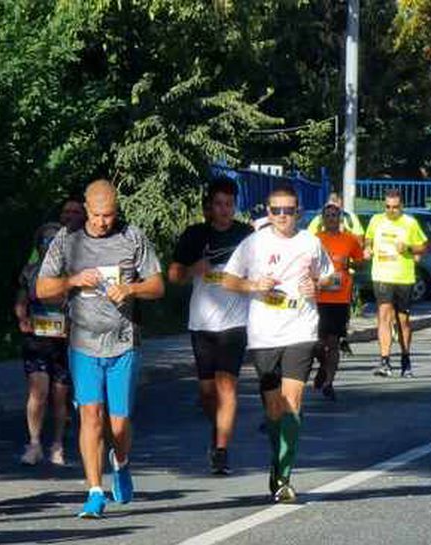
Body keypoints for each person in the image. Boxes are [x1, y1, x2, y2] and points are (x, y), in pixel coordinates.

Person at [37, 179, 164, 518]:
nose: (102, 222)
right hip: (83, 342)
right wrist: (73, 281)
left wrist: (132, 289)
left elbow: (158, 285)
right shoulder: (68, 239)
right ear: (86, 208)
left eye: (109, 215)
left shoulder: (132, 237)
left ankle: (120, 463)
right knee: (89, 417)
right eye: (97, 215)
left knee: (119, 424)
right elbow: (42, 287)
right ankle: (94, 491)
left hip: (123, 342)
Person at [221, 184, 334, 503]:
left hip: (301, 329)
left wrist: (317, 285)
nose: (282, 217)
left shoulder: (310, 242)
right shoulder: (253, 244)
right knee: (273, 408)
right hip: (263, 333)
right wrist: (253, 284)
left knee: (292, 402)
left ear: (298, 212)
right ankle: (277, 462)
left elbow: (332, 277)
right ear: (268, 213)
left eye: (288, 210)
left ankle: (284, 476)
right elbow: (228, 281)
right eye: (276, 211)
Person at [169, 178, 252, 475]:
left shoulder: (245, 235)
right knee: (207, 391)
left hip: (235, 322)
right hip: (202, 322)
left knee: (227, 385)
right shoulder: (195, 235)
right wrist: (194, 269)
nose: (224, 210)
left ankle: (221, 450)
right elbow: (174, 275)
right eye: (219, 204)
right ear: (209, 206)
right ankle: (217, 428)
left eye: (229, 204)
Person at [14, 222, 71, 466]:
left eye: (55, 243)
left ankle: (57, 444)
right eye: (46, 243)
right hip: (36, 338)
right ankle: (34, 443)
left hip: (64, 341)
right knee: (38, 392)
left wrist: (74, 324)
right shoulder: (30, 271)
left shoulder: (72, 272)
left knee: (59, 396)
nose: (50, 248)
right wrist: (22, 318)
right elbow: (20, 301)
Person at [364, 189, 428, 378]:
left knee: (403, 321)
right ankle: (384, 361)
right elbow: (368, 238)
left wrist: (408, 247)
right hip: (382, 275)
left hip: (403, 277)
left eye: (395, 207)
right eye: (388, 207)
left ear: (402, 206)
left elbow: (423, 246)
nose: (391, 211)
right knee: (383, 315)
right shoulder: (376, 220)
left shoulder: (410, 223)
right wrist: (368, 248)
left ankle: (405, 358)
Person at [313, 201, 364, 401]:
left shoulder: (350, 240)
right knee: (316, 343)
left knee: (333, 341)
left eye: (335, 215)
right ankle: (324, 367)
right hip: (318, 296)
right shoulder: (315, 240)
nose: (331, 219)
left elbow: (360, 263)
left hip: (340, 297)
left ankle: (328, 383)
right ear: (323, 219)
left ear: (340, 218)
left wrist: (349, 263)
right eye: (328, 216)